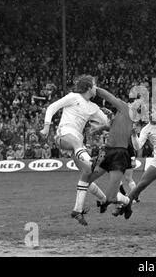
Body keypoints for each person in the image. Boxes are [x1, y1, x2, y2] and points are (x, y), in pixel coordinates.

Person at [40, 75, 109, 226]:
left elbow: (107, 122)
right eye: (95, 85)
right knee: (81, 149)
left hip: (77, 145)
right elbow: (52, 107)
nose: (97, 87)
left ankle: (85, 207)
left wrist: (107, 117)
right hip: (64, 135)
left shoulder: (93, 108)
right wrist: (46, 126)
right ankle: (90, 159)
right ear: (89, 87)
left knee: (87, 174)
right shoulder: (73, 97)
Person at [89, 87, 139, 214]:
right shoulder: (125, 115)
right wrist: (99, 128)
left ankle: (123, 202)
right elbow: (113, 126)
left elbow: (109, 97)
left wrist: (94, 88)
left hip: (118, 154)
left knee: (110, 195)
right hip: (107, 152)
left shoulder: (125, 108)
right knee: (86, 180)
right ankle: (105, 201)